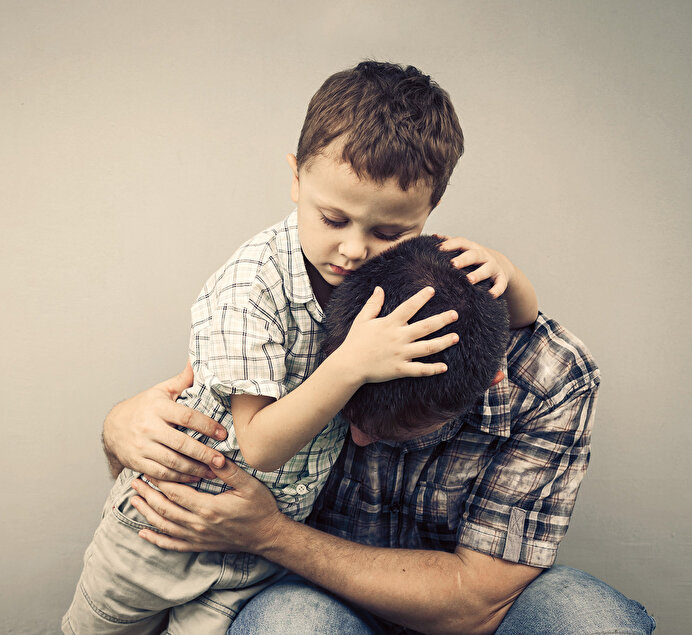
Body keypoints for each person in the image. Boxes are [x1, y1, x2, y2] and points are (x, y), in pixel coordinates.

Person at [62, 61, 540, 634]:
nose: (355, 249)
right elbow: (260, 444)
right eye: (333, 218)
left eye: (389, 233)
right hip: (160, 528)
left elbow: (525, 320)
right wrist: (351, 365)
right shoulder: (251, 286)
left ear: (427, 215)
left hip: (254, 554)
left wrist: (505, 273)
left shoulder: (401, 275)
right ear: (295, 179)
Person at [118, 240, 656, 633]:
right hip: (321, 599)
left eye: (388, 432)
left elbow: (476, 600)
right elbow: (206, 433)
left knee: (592, 623)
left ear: (487, 380)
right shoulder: (306, 309)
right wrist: (121, 428)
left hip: (475, 615)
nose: (356, 439)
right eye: (346, 413)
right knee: (288, 627)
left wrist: (268, 534)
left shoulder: (553, 378)